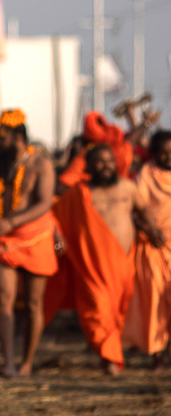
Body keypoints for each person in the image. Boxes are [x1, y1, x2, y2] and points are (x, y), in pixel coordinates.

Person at [47, 145, 162, 375]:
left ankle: (108, 352)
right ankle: (110, 359)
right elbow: (53, 214)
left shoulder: (128, 188)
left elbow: (143, 210)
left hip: (123, 263)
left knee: (117, 313)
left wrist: (152, 229)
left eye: (109, 161)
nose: (106, 166)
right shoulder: (78, 194)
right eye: (100, 162)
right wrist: (58, 237)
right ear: (88, 167)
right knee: (97, 311)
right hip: (91, 266)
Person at [0, 109, 58, 377]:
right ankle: (9, 362)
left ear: (19, 136)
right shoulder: (0, 164)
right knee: (3, 299)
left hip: (35, 237)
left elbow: (44, 204)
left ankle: (27, 362)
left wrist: (13, 222)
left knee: (34, 304)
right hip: (5, 239)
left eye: (3, 137)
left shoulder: (41, 164)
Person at [127, 130, 171, 368]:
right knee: (155, 299)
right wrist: (150, 230)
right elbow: (136, 211)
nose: (168, 158)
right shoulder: (146, 173)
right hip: (153, 245)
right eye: (163, 153)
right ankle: (157, 352)